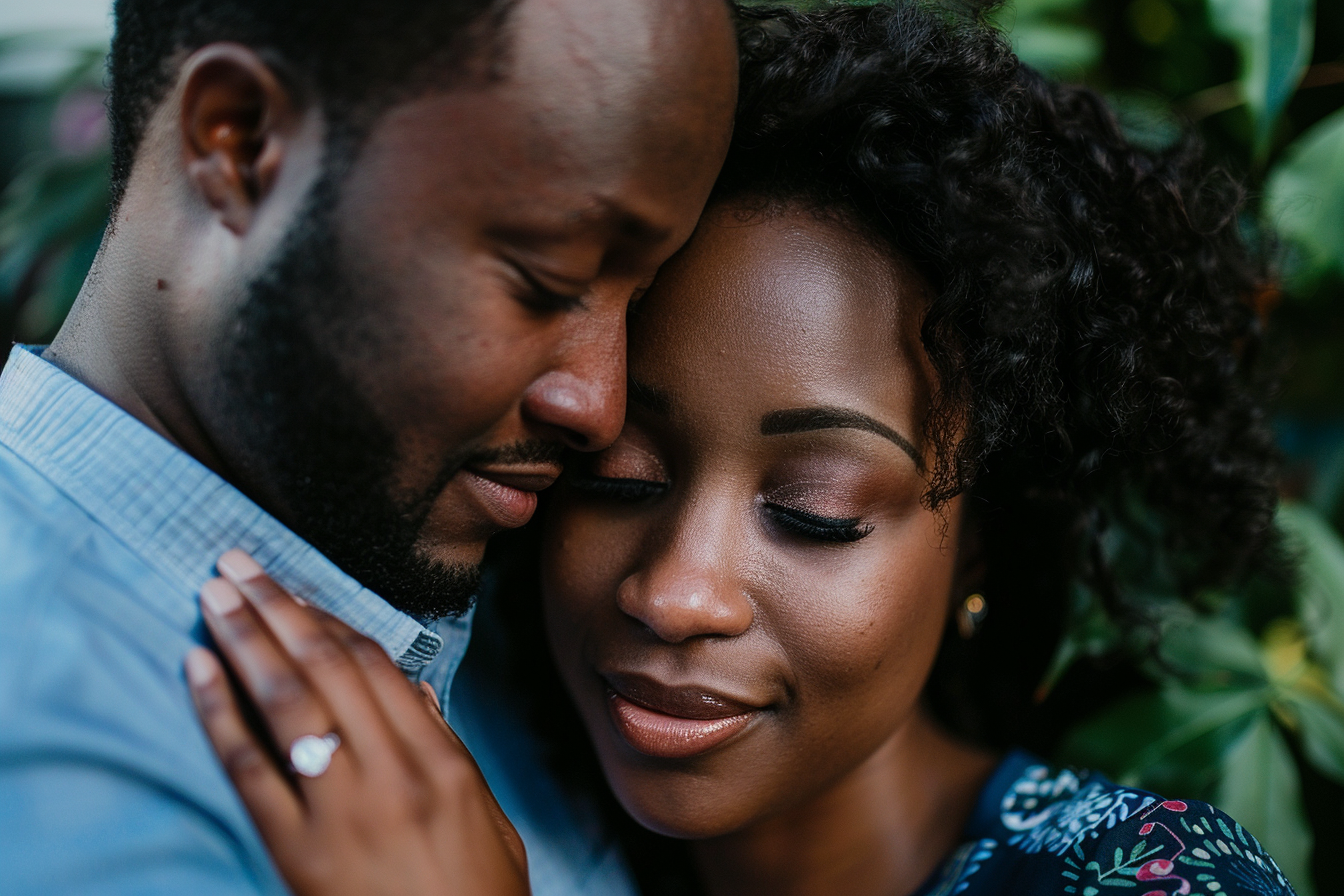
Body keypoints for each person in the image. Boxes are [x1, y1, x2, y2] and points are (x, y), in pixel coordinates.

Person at [184, 2, 1295, 895]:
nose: (677, 592)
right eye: (621, 473)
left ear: (978, 549)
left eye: (815, 509)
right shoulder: (500, 785)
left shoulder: (1144, 878)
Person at [0, 0, 739, 891]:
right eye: (545, 279)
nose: (600, 407)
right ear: (239, 143)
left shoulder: (537, 635)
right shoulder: (47, 761)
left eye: (640, 295)